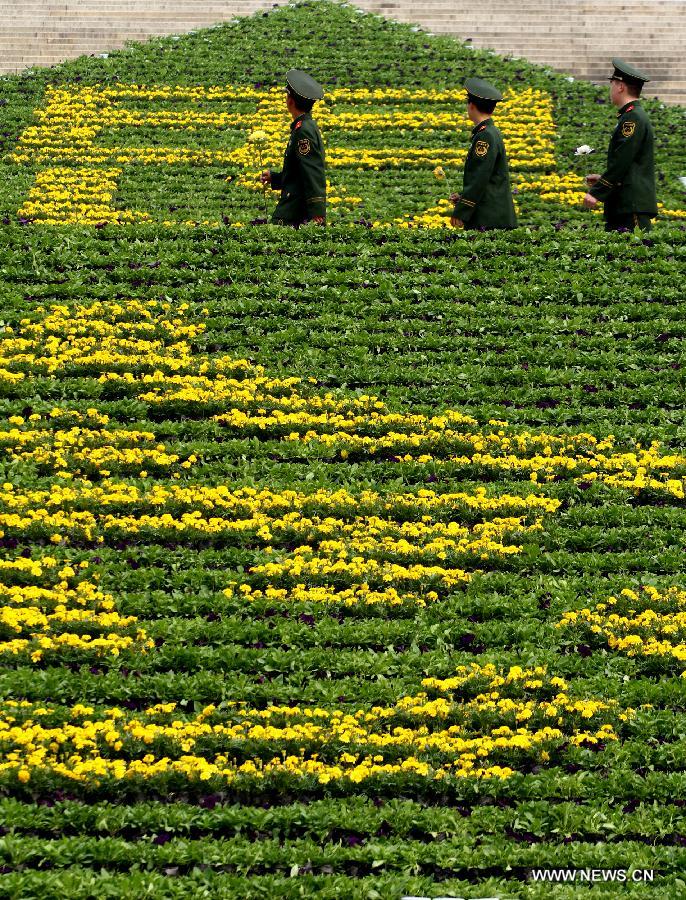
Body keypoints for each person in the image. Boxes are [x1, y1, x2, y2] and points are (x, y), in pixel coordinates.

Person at [583, 59, 657, 232]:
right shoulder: (630, 116)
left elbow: (622, 159)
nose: (610, 89)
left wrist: (597, 192)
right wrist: (602, 179)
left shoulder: (633, 118)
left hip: (631, 204)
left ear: (620, 87)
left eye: (612, 84)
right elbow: (628, 164)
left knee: (637, 255)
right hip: (625, 203)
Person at [260, 69, 326, 226]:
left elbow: (312, 172)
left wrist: (317, 214)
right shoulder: (305, 126)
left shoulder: (303, 130)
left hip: (295, 213)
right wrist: (275, 178)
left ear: (290, 101)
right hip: (295, 209)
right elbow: (298, 173)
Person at [450, 77, 517, 230]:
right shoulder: (491, 132)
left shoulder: (485, 136)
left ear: (471, 105)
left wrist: (461, 210)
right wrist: (462, 200)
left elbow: (479, 178)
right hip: (492, 215)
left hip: (488, 219)